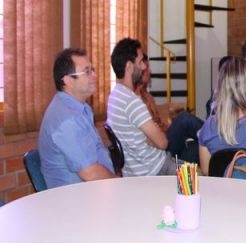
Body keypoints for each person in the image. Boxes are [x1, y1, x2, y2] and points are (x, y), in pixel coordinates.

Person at [38, 48, 116, 188]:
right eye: (87, 72)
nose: (95, 75)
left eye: (93, 70)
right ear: (67, 81)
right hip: (75, 201)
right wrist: (119, 184)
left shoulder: (80, 108)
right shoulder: (67, 118)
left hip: (93, 191)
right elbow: (91, 174)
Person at [107, 37, 178, 177]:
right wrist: (150, 138)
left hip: (136, 171)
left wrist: (148, 138)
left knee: (193, 150)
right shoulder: (132, 102)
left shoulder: (114, 96)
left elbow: (148, 139)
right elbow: (163, 143)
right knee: (201, 179)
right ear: (129, 66)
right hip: (156, 168)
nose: (144, 67)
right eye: (140, 62)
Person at [135, 53, 202, 163]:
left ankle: (222, 153)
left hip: (164, 137)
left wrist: (169, 125)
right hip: (159, 146)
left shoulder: (146, 94)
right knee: (184, 119)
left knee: (195, 147)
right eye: (147, 69)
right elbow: (147, 133)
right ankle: (217, 138)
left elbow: (158, 121)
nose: (150, 71)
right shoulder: (135, 100)